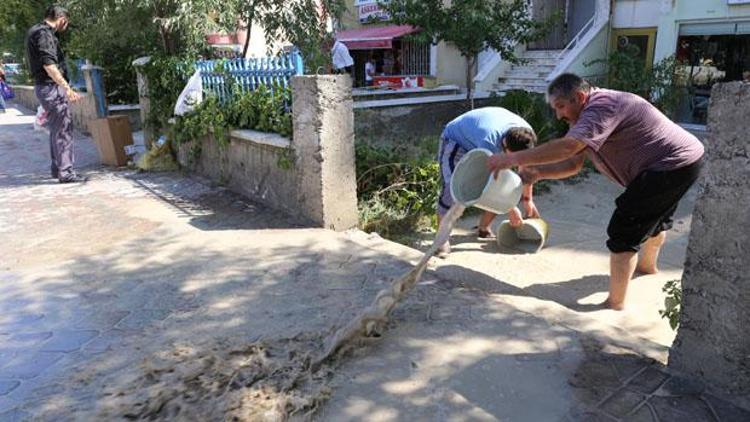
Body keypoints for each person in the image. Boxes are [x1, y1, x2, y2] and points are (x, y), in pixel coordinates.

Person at [488, 73, 705, 310]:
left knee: (624, 228)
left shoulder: (601, 107)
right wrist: (539, 173)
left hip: (671, 163)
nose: (558, 115)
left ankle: (615, 304)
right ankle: (647, 268)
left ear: (579, 97)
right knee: (653, 218)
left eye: (560, 107)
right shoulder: (583, 116)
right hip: (680, 161)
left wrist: (512, 158)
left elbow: (568, 147)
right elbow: (574, 163)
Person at [437, 107, 540, 257]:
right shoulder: (489, 141)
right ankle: (441, 241)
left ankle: (483, 228)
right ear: (504, 145)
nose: (513, 163)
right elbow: (492, 181)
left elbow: (527, 169)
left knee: (505, 188)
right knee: (451, 190)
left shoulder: (528, 137)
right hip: (457, 141)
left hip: (481, 135)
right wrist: (511, 208)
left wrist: (527, 200)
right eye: (511, 157)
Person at [25, 5, 83, 183]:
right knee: (63, 130)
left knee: (56, 129)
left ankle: (58, 168)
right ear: (61, 19)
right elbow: (49, 64)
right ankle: (66, 172)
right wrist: (66, 87)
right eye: (66, 23)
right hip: (51, 88)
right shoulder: (44, 34)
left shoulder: (35, 31)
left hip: (44, 87)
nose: (65, 27)